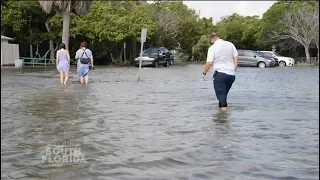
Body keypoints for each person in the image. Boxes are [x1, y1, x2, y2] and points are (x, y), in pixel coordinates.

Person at [202, 33, 239, 112]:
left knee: (222, 98)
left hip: (220, 74)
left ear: (212, 39)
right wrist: (234, 69)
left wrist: (204, 73)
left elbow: (209, 63)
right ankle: (221, 114)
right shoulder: (231, 45)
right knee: (223, 96)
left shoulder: (213, 47)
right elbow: (236, 57)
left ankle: (223, 119)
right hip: (231, 75)